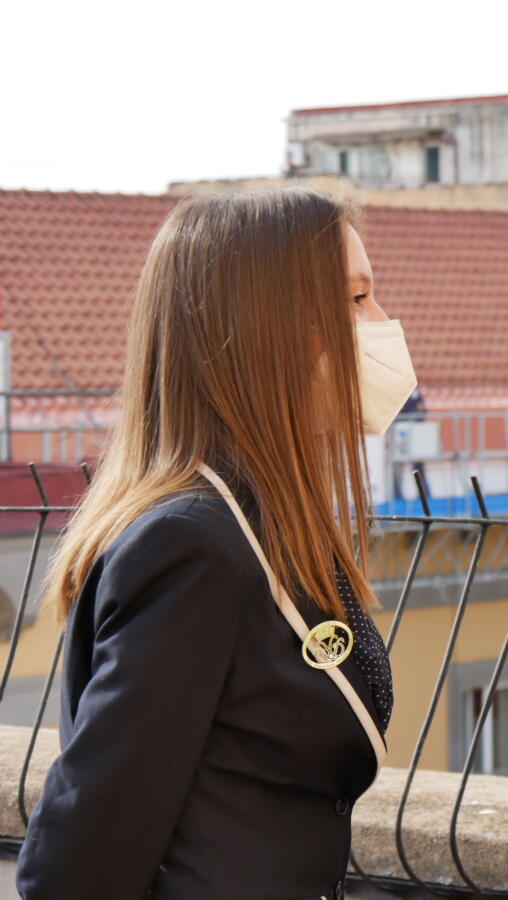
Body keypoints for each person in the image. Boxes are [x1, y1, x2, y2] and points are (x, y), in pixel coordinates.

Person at [17, 188, 418, 898]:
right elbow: (78, 860)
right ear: (268, 331)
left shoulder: (255, 517)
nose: (381, 323)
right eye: (355, 301)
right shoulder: (193, 546)